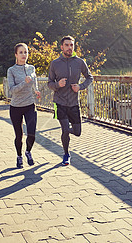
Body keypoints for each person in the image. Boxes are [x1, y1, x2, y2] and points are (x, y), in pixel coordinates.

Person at [48, 36, 93, 166]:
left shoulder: (79, 62)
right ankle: (66, 154)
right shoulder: (55, 63)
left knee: (77, 132)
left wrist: (80, 87)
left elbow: (90, 78)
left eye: (71, 45)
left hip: (74, 103)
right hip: (59, 102)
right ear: (61, 47)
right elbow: (49, 83)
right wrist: (58, 85)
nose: (69, 47)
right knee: (65, 129)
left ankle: (66, 134)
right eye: (67, 45)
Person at [7, 43, 41, 168]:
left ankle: (28, 152)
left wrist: (36, 90)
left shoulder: (31, 68)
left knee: (32, 133)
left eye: (25, 52)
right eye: (21, 52)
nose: (24, 55)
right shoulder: (11, 70)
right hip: (16, 107)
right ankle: (19, 156)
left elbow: (34, 80)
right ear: (16, 54)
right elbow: (12, 90)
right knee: (19, 135)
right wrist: (23, 83)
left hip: (30, 105)